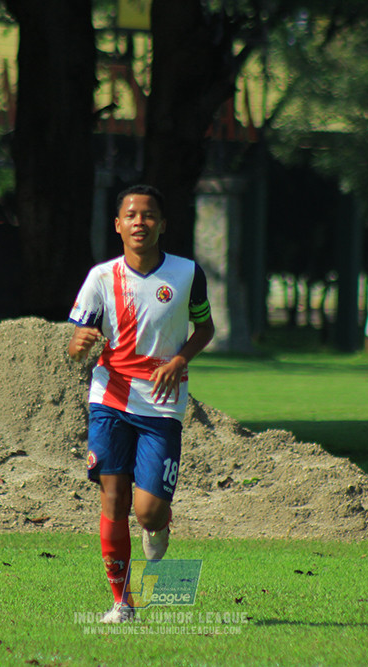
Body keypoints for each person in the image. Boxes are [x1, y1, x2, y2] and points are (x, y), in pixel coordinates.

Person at [67, 184, 215, 623]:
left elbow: (205, 329)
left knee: (148, 512)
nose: (139, 222)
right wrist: (80, 343)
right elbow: (76, 346)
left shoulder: (187, 274)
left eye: (148, 215)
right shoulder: (100, 278)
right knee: (114, 498)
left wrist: (179, 359)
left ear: (162, 224)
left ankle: (159, 525)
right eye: (130, 215)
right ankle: (121, 601)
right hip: (109, 398)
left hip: (162, 405)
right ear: (117, 225)